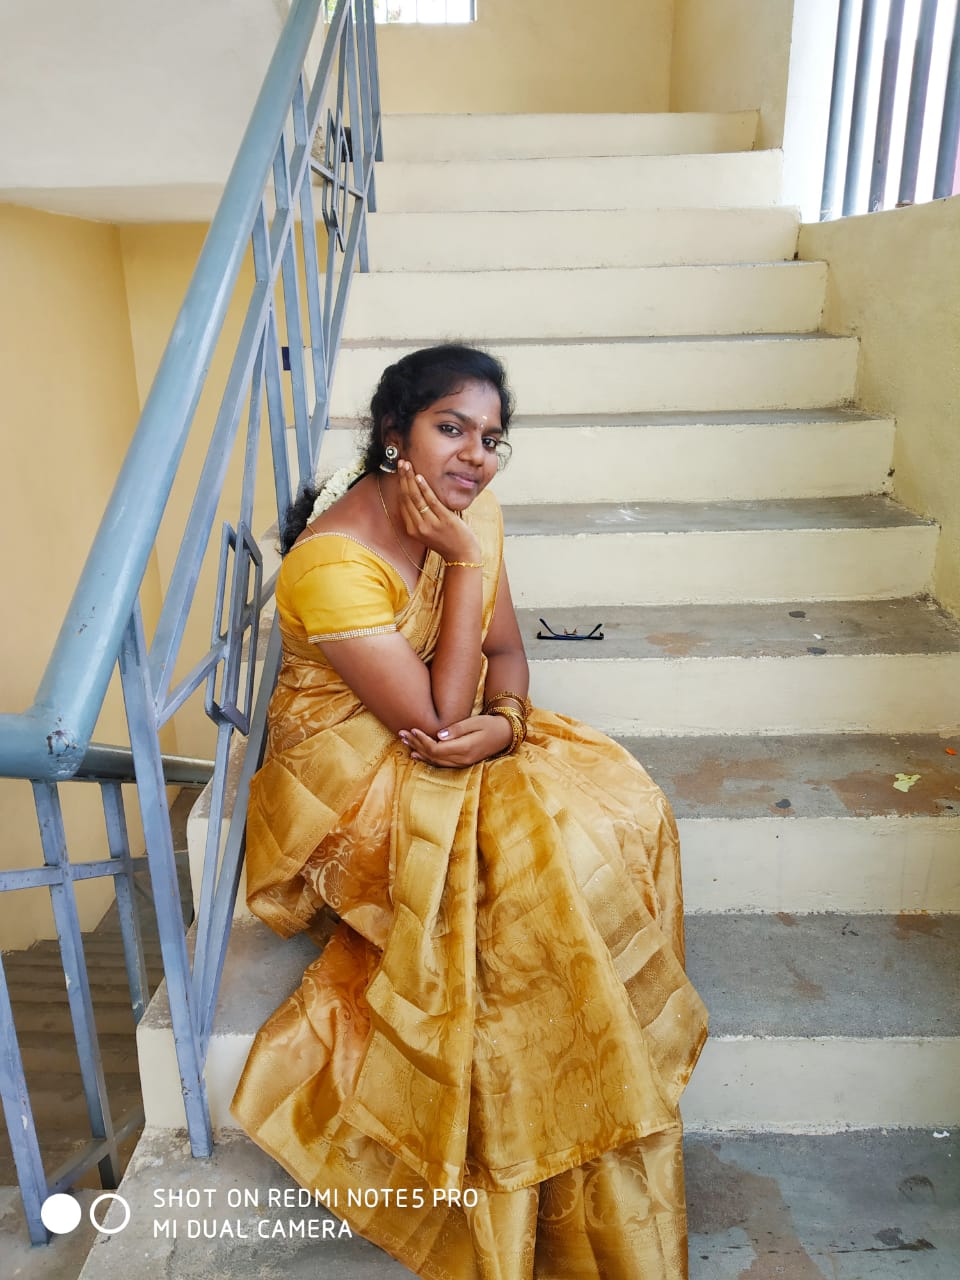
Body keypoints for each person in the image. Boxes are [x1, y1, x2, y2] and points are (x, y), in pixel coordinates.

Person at [231, 344, 708, 1279]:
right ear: (393, 434)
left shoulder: (471, 512)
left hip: (454, 727)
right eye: (451, 428)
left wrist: (510, 720)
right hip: (346, 775)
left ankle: (604, 1070)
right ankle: (540, 1137)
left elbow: (506, 658)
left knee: (626, 808)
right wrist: (459, 566)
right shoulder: (333, 563)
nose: (475, 455)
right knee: (530, 880)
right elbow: (436, 721)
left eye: (491, 438)